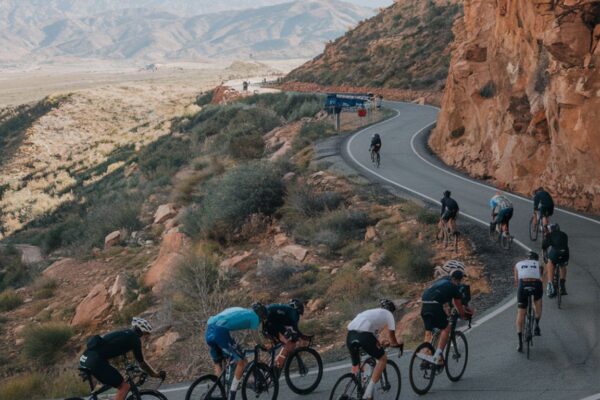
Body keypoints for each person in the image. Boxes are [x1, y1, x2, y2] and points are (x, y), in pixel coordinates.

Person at [78, 318, 165, 400]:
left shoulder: (124, 335)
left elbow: (121, 358)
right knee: (124, 387)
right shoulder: (134, 339)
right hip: (95, 361)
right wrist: (155, 374)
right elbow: (142, 363)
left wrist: (131, 368)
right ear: (141, 331)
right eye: (145, 334)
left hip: (86, 358)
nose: (145, 337)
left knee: (113, 382)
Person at [346, 299, 402, 400]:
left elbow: (374, 337)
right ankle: (368, 392)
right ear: (392, 310)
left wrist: (380, 343)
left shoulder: (373, 313)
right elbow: (393, 339)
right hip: (364, 335)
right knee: (382, 358)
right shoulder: (389, 315)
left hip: (350, 335)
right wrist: (397, 345)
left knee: (356, 366)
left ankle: (352, 390)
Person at [206, 306, 260, 400]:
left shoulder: (240, 310)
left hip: (209, 330)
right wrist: (262, 344)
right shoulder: (254, 316)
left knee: (218, 361)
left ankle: (219, 389)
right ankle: (232, 395)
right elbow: (256, 336)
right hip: (220, 332)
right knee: (241, 361)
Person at [419, 269, 472, 365]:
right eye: (460, 281)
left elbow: (443, 300)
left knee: (429, 330)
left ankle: (425, 353)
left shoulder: (441, 282)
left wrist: (447, 311)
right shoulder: (454, 287)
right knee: (446, 328)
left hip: (424, 305)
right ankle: (438, 357)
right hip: (435, 306)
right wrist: (463, 316)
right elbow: (458, 305)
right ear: (458, 280)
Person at [257, 299, 305, 369]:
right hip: (269, 323)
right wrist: (302, 337)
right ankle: (276, 365)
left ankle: (274, 365)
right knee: (290, 341)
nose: (299, 316)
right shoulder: (294, 312)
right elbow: (295, 329)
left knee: (284, 341)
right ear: (299, 310)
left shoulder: (286, 309)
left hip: (265, 323)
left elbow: (286, 327)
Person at [514, 251, 544, 352]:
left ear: (526, 259)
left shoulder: (518, 264)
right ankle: (536, 325)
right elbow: (540, 277)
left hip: (523, 285)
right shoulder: (539, 264)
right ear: (536, 259)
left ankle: (520, 343)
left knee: (521, 313)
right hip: (536, 285)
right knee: (538, 303)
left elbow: (516, 282)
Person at [542, 223, 569, 297]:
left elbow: (544, 246)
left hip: (556, 253)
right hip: (565, 253)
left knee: (550, 262)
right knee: (562, 264)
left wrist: (546, 236)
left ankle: (550, 284)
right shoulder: (564, 234)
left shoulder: (550, 234)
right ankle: (562, 285)